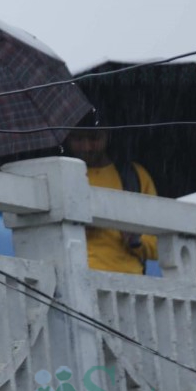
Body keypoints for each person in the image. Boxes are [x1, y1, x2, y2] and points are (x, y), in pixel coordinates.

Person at [63, 110, 158, 274]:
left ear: (107, 134)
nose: (86, 147)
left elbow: (158, 245)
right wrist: (72, 229)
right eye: (77, 139)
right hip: (76, 279)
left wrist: (136, 241)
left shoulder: (134, 176)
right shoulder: (60, 175)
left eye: (94, 138)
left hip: (130, 284)